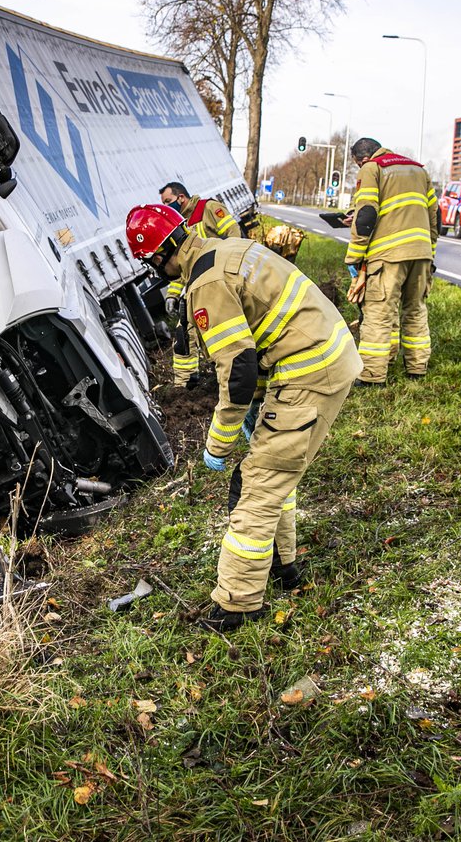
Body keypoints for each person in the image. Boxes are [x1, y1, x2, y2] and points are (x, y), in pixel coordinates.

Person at [126, 203, 359, 632]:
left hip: (310, 371)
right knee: (275, 474)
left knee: (256, 485)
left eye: (152, 264)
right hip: (324, 354)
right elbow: (255, 343)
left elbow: (238, 371)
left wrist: (218, 442)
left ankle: (237, 604)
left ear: (159, 256)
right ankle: (284, 567)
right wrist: (257, 405)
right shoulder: (226, 248)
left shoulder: (205, 284)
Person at [343, 136, 439, 386]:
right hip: (421, 254)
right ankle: (417, 368)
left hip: (388, 256)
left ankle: (373, 375)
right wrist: (431, 252)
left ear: (362, 159)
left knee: (378, 313)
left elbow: (366, 215)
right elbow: (433, 216)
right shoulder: (418, 170)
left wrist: (354, 257)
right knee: (415, 309)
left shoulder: (372, 168)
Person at [158, 181, 239, 388]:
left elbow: (234, 236)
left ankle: (233, 376)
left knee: (223, 331)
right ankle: (186, 383)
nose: (167, 207)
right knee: (184, 331)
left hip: (220, 280)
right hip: (197, 285)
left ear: (181, 198)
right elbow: (181, 265)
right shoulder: (179, 225)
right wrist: (173, 294)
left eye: (168, 201)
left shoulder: (209, 209)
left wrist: (228, 271)